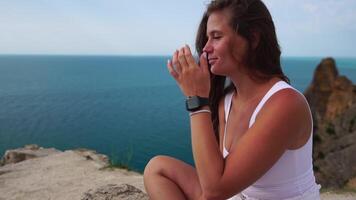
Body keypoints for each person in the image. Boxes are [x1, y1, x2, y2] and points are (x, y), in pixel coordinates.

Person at [143, 0, 321, 199]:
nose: (206, 48)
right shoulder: (226, 102)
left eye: (216, 37)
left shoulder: (286, 104)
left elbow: (215, 190)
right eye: (207, 38)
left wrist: (197, 101)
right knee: (157, 168)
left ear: (253, 39)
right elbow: (215, 177)